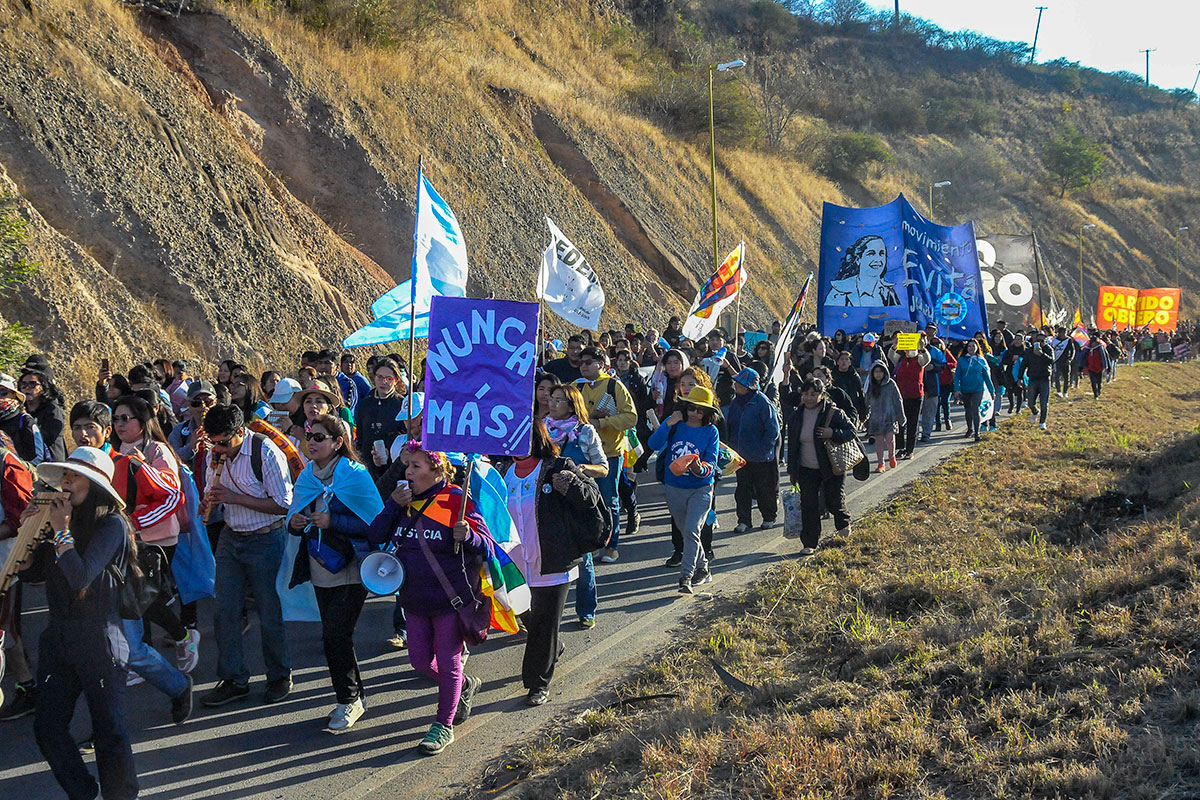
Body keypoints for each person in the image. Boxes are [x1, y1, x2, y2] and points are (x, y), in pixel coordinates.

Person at [23, 447, 139, 800]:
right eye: (64, 477)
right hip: (59, 635)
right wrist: (28, 531)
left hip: (99, 637)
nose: (65, 483)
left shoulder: (112, 525)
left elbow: (80, 576)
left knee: (109, 731)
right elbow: (30, 576)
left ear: (94, 484)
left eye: (73, 477)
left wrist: (60, 533)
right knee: (47, 727)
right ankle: (83, 793)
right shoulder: (58, 521)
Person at [67, 401, 195, 721]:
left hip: (121, 574)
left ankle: (178, 686)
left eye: (90, 427)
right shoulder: (70, 467)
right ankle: (104, 726)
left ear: (105, 431)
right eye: (77, 427)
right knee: (95, 653)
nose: (83, 434)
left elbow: (171, 495)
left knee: (132, 650)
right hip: (86, 577)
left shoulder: (127, 462)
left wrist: (134, 527)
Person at [366, 442, 487, 755]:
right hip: (413, 600)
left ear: (437, 470)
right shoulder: (401, 501)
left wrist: (469, 536)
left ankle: (443, 725)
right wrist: (392, 505)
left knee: (447, 664)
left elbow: (487, 547)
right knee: (419, 660)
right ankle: (463, 684)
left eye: (416, 466)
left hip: (449, 600)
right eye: (407, 466)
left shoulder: (457, 501)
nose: (408, 472)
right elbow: (375, 537)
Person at [286, 414, 382, 732]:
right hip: (320, 566)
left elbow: (375, 524)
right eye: (309, 436)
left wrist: (333, 522)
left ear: (338, 443)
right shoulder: (308, 477)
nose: (311, 442)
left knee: (335, 634)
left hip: (353, 568)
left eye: (319, 437)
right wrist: (296, 522)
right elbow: (294, 513)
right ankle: (354, 696)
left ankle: (349, 699)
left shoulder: (355, 475)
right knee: (334, 634)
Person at [200, 404, 296, 707]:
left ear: (241, 432)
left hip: (266, 538)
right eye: (212, 442)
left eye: (224, 443)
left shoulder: (265, 452)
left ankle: (279, 675)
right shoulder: (214, 453)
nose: (218, 449)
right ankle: (234, 678)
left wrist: (233, 497)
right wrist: (210, 503)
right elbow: (210, 491)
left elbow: (284, 504)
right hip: (231, 537)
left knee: (269, 612)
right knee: (225, 610)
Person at [504, 420, 604, 704]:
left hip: (552, 561)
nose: (513, 445)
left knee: (545, 623)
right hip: (516, 563)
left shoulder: (558, 466)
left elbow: (592, 499)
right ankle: (551, 647)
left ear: (535, 438)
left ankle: (538, 683)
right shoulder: (503, 473)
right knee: (522, 612)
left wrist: (570, 485)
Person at [109, 395, 198, 671]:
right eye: (116, 419)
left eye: (126, 418)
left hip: (158, 536)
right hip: (128, 537)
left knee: (145, 597)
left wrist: (136, 522)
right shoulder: (112, 450)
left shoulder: (157, 450)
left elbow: (172, 495)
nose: (120, 424)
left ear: (142, 421)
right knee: (133, 598)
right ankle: (142, 657)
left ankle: (183, 635)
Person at [544, 384, 607, 628]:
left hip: (577, 501)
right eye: (551, 398)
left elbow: (603, 467)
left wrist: (580, 470)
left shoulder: (585, 432)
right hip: (547, 501)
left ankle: (586, 609)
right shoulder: (542, 429)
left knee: (583, 558)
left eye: (559, 400)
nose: (552, 403)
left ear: (572, 406)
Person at [648, 386, 720, 594]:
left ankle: (685, 576)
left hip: (701, 488)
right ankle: (703, 568)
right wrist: (668, 423)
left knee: (691, 530)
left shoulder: (711, 431)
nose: (696, 413)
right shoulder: (675, 425)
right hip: (674, 487)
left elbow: (711, 462)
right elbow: (653, 444)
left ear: (708, 413)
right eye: (692, 408)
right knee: (687, 532)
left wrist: (699, 468)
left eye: (701, 410)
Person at [577, 347, 637, 564]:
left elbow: (630, 418)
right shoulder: (577, 387)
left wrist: (601, 423)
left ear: (601, 364)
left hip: (610, 452)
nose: (583, 365)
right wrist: (590, 418)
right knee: (586, 499)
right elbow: (569, 416)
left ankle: (612, 545)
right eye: (581, 362)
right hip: (583, 453)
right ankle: (594, 541)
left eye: (589, 361)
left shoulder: (614, 386)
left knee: (609, 499)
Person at [785, 378, 855, 556]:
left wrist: (833, 433)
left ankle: (843, 525)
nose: (809, 398)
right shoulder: (795, 416)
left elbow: (851, 431)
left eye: (813, 394)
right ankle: (810, 542)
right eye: (806, 394)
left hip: (831, 466)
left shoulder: (832, 413)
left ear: (822, 395)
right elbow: (792, 446)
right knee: (809, 505)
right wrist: (792, 471)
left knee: (834, 502)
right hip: (806, 468)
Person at [726, 368, 780, 532]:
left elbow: (773, 430)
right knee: (742, 489)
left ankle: (769, 516)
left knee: (764, 489)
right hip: (740, 456)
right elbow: (731, 426)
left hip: (761, 457)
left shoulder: (762, 402)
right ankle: (743, 520)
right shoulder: (735, 402)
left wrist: (764, 450)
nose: (735, 385)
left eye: (739, 383)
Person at [355, 357, 408, 482]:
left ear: (396, 381)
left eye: (388, 379)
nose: (383, 382)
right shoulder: (365, 404)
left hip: (393, 468)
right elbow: (361, 436)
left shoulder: (402, 404)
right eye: (380, 377)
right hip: (367, 466)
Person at [823, 235, 899, 307]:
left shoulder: (888, 293)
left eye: (881, 254)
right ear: (858, 259)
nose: (877, 259)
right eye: (871, 254)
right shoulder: (840, 291)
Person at [889, 344, 929, 459]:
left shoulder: (919, 360)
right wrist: (895, 346)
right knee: (901, 423)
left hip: (916, 395)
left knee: (913, 423)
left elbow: (927, 359)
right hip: (901, 396)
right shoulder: (900, 359)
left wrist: (922, 349)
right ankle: (901, 448)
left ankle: (910, 450)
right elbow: (891, 356)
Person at [19, 369, 67, 462]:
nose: (27, 388)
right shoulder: (20, 411)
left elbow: (50, 436)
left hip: (51, 462)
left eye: (32, 384)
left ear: (42, 389)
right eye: (23, 384)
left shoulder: (52, 410)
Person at [953, 339, 995, 443]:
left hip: (978, 389)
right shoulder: (962, 360)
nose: (971, 348)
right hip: (965, 388)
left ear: (977, 348)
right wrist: (957, 389)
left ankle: (977, 432)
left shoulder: (981, 360)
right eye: (969, 346)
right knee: (968, 410)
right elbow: (957, 375)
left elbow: (986, 377)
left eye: (973, 346)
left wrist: (991, 390)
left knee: (976, 409)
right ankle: (969, 429)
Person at [864, 362, 904, 472]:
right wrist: (864, 418)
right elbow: (867, 402)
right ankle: (880, 463)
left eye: (880, 371)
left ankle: (892, 456)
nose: (878, 374)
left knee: (890, 439)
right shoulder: (871, 385)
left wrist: (901, 417)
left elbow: (898, 400)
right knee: (879, 441)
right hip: (876, 419)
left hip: (890, 418)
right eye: (876, 372)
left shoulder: (891, 384)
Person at [0, 373, 46, 464]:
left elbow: (38, 457)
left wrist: (16, 466)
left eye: (3, 392)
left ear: (14, 395)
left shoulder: (24, 420)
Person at [1019, 331, 1055, 430]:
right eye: (1037, 340)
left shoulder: (1048, 349)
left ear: (1046, 341)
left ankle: (1042, 422)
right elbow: (1023, 364)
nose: (1039, 343)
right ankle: (1035, 412)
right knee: (1030, 402)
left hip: (1044, 378)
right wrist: (1020, 378)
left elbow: (1051, 361)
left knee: (1044, 402)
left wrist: (1041, 354)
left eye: (1042, 341)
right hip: (1033, 378)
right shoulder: (1029, 351)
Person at [1082, 334, 1111, 399]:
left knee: (1099, 381)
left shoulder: (1100, 349)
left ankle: (1099, 390)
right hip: (1091, 367)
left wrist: (1107, 367)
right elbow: (1083, 358)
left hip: (1099, 368)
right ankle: (1095, 394)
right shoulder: (1087, 350)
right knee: (1093, 381)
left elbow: (1105, 358)